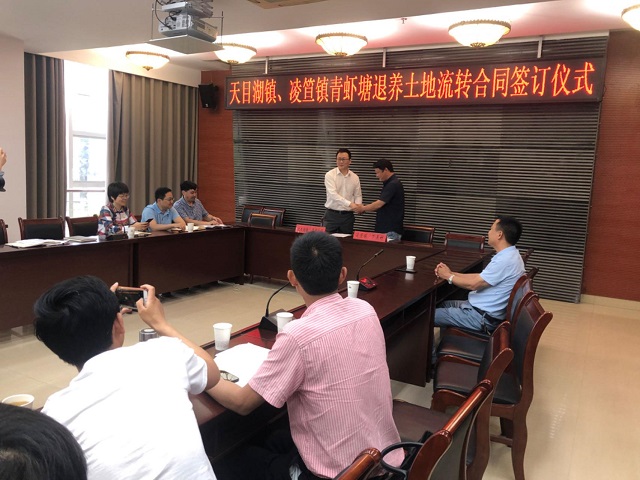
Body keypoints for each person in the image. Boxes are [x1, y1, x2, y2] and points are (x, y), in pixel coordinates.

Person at [207, 231, 402, 480]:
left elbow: (242, 403)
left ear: (291, 278)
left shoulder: (298, 336)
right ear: (342, 274)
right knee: (273, 436)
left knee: (226, 460)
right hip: (384, 458)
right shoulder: (365, 309)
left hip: (339, 473)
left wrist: (204, 373)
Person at [33, 276, 219, 480]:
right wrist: (159, 323)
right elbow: (212, 373)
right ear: (119, 324)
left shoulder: (54, 414)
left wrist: (103, 316)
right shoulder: (164, 352)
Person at [434, 216, 525, 333]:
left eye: (491, 229)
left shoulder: (505, 260)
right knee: (442, 305)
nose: (488, 232)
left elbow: (474, 284)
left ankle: (437, 345)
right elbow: (480, 277)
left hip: (480, 317)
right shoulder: (511, 255)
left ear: (499, 235)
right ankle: (446, 341)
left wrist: (448, 276)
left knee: (426, 317)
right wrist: (451, 273)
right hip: (479, 309)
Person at [353, 159, 404, 237]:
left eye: (378, 172)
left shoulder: (393, 184)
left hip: (390, 230)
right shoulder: (390, 183)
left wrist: (363, 208)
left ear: (386, 170)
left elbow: (378, 204)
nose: (376, 175)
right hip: (386, 229)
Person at [323, 148, 362, 234]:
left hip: (347, 216)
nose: (341, 162)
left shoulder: (355, 177)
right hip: (332, 215)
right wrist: (351, 204)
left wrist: (359, 207)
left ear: (350, 161)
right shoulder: (330, 175)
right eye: (338, 159)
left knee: (347, 240)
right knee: (326, 240)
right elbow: (333, 195)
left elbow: (358, 195)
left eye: (343, 159)